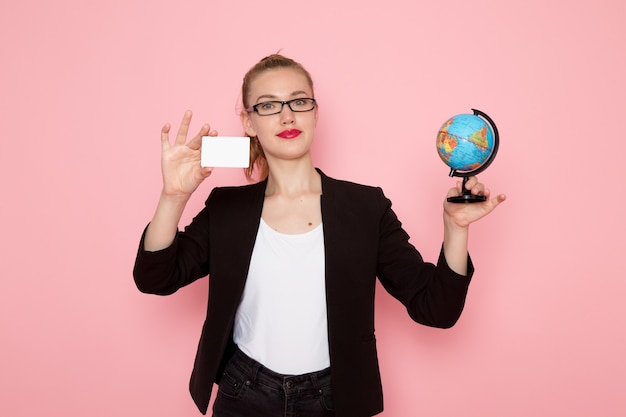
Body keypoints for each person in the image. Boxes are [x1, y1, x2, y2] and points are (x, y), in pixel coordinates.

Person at [133, 54, 506, 417]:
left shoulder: (365, 207)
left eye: (299, 101)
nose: (286, 115)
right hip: (243, 393)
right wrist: (173, 198)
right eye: (267, 106)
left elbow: (436, 309)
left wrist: (456, 228)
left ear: (315, 112)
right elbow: (156, 278)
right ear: (249, 124)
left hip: (334, 399)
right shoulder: (226, 208)